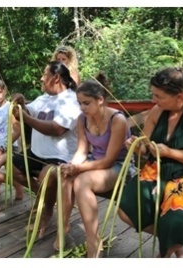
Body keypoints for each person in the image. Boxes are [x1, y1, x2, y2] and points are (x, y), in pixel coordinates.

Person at [118, 66, 183, 258]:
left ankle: (164, 255)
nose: (153, 100)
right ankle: (175, 247)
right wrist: (137, 146)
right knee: (127, 210)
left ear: (180, 97)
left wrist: (170, 152)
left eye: (158, 96)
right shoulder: (157, 111)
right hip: (158, 171)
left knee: (176, 219)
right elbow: (145, 146)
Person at [0, 61, 81, 235]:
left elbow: (57, 129)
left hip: (61, 157)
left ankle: (46, 209)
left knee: (45, 176)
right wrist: (21, 104)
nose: (41, 78)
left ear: (56, 78)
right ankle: (45, 198)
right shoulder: (44, 98)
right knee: (12, 165)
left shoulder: (72, 100)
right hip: (37, 153)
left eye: (45, 74)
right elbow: (28, 111)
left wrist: (26, 118)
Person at [55, 72, 133, 256]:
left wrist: (78, 168)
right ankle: (63, 226)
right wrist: (71, 166)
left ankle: (93, 240)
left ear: (100, 100)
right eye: (79, 103)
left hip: (118, 166)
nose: (82, 107)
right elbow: (82, 150)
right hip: (94, 163)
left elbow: (109, 160)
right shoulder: (82, 119)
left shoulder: (117, 120)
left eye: (86, 103)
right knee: (65, 177)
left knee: (82, 182)